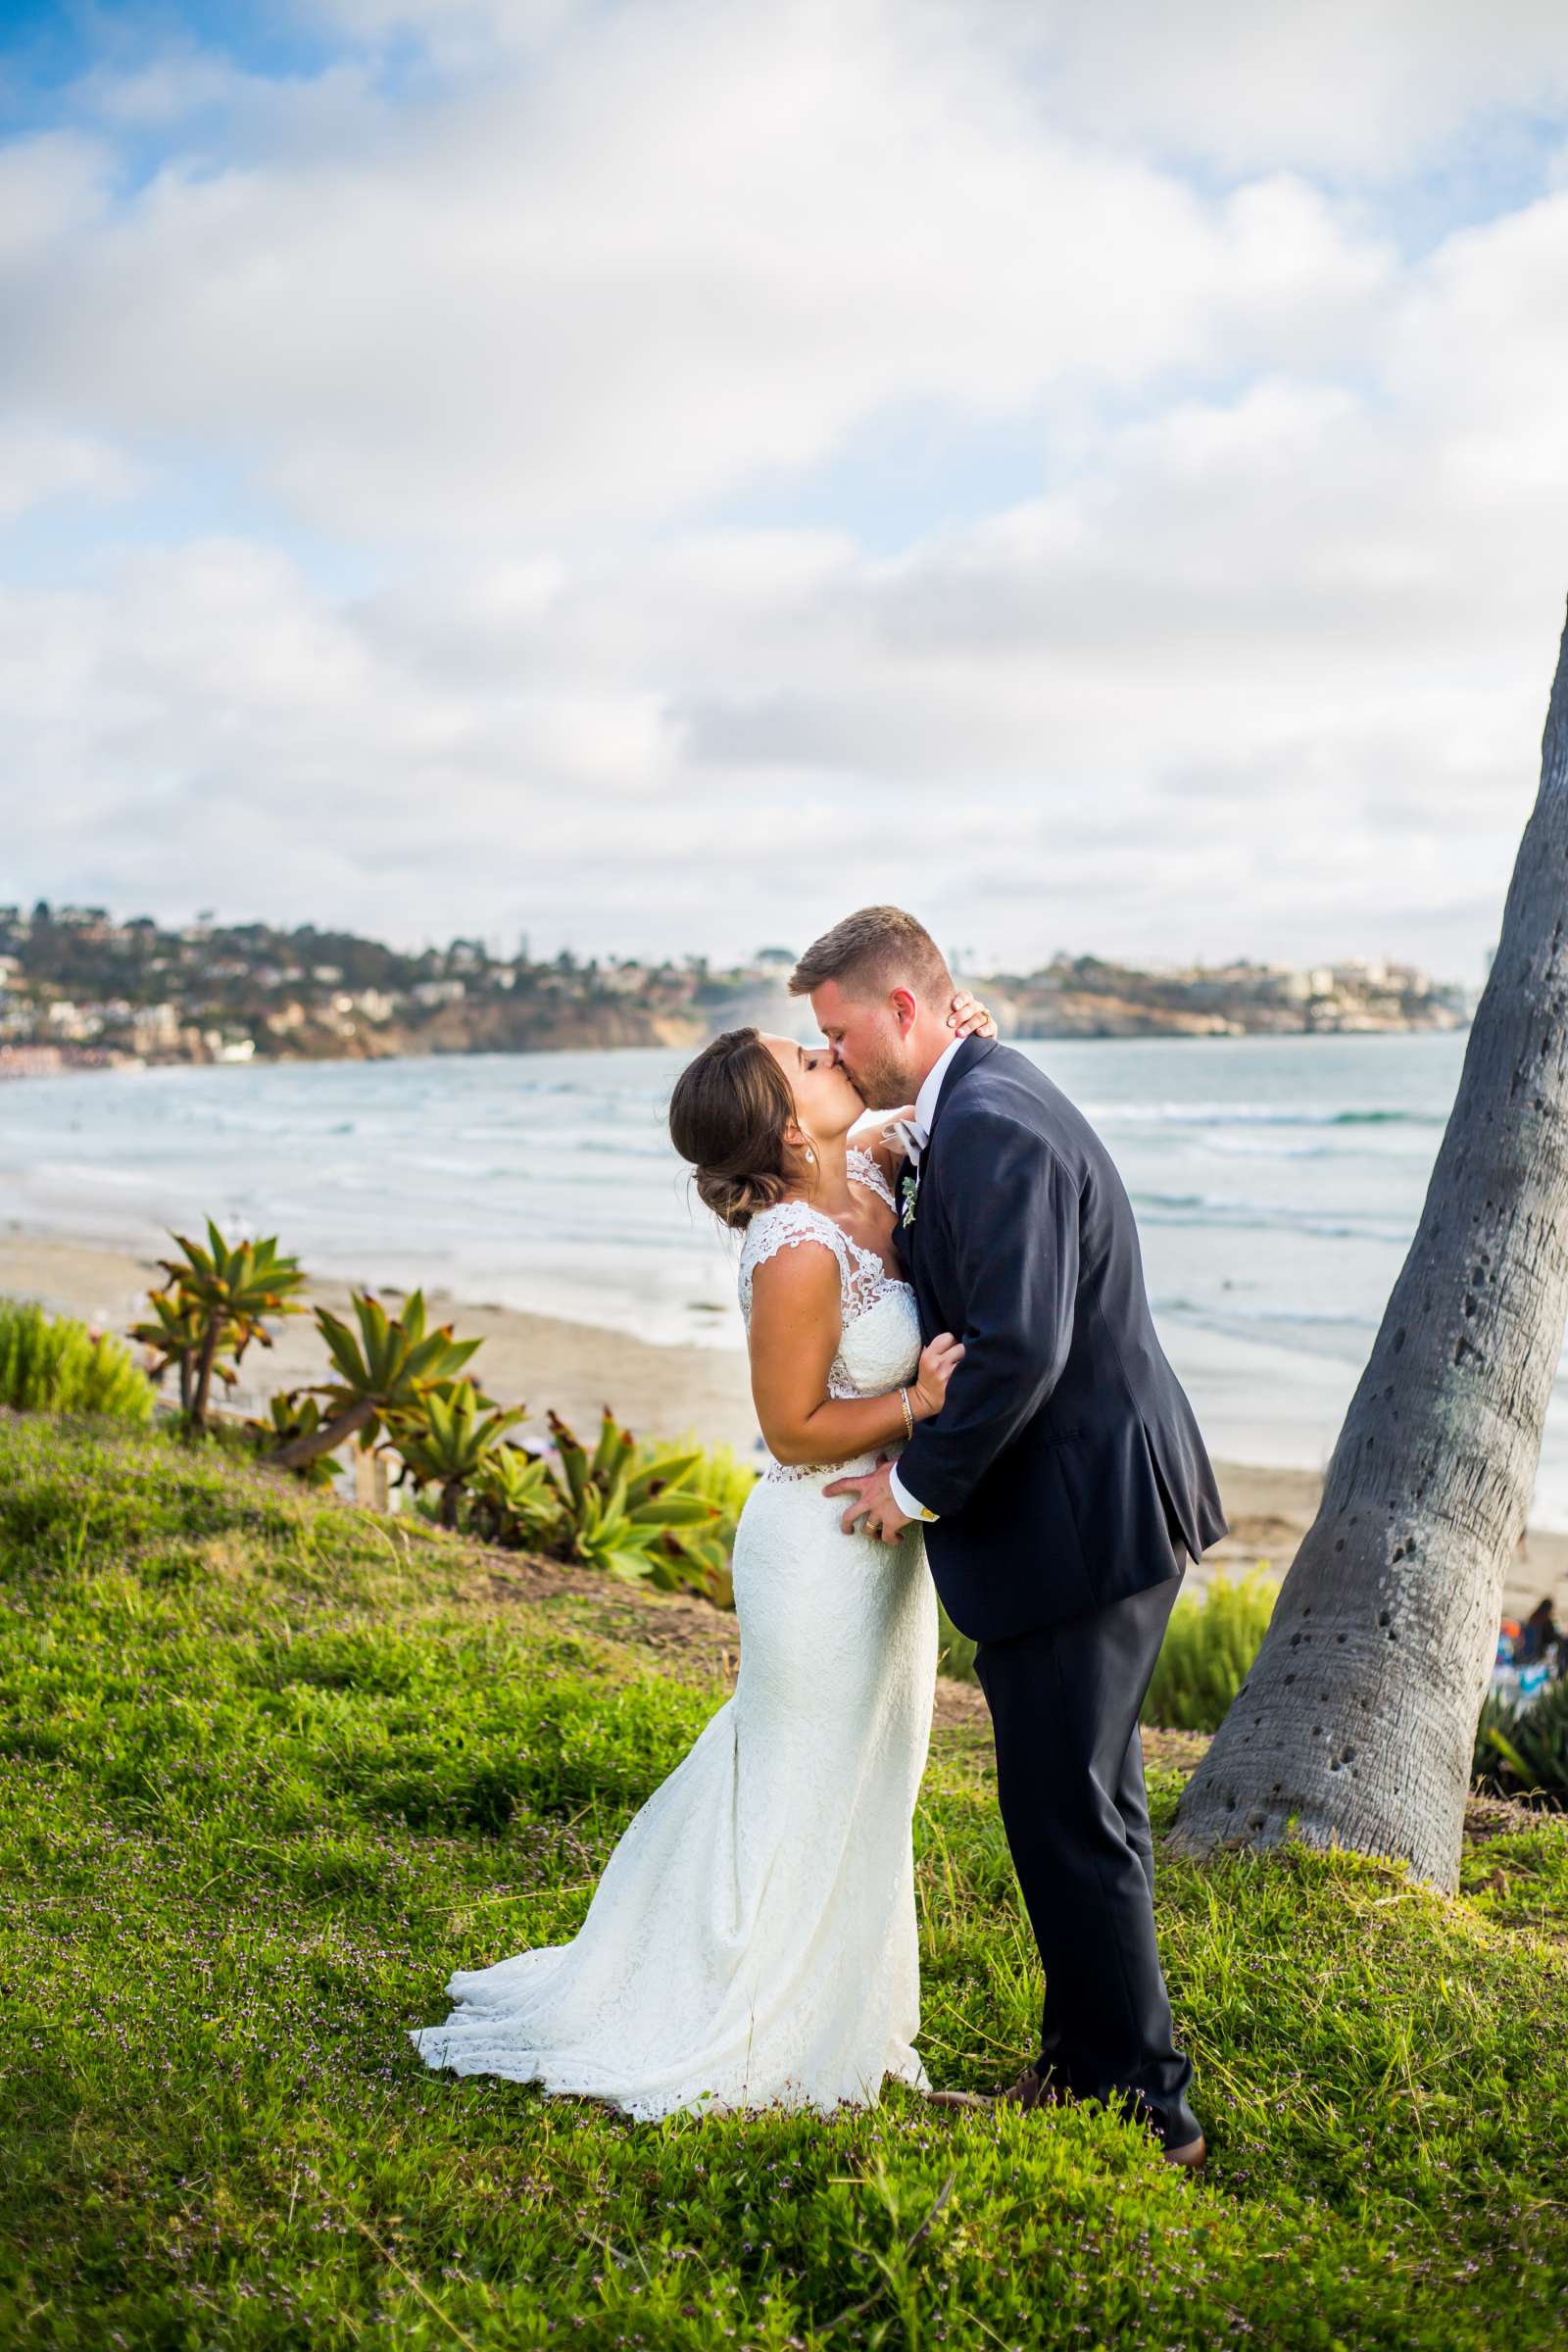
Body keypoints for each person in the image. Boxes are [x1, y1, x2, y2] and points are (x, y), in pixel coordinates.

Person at [407, 984, 993, 2117]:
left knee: (876, 1776)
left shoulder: (866, 1156)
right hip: (816, 1549)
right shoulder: (793, 1250)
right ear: (785, 1129)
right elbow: (791, 1430)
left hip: (886, 1551)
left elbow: (933, 1091)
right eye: (811, 1063)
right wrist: (917, 1407)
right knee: (796, 1776)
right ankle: (753, 2017)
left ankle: (844, 2013)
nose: (833, 1058)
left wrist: (971, 1028)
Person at [798, 905, 1229, 2171]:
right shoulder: (970, 1096)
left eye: (837, 1033)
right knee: (1081, 1805)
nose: (832, 1056)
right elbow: (975, 1257)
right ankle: (1094, 2062)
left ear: (905, 1011)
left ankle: (1149, 2111)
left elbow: (1021, 1347)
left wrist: (915, 1487)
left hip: (1082, 1516)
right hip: (1092, 1501)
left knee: (1068, 1817)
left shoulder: (986, 1122)